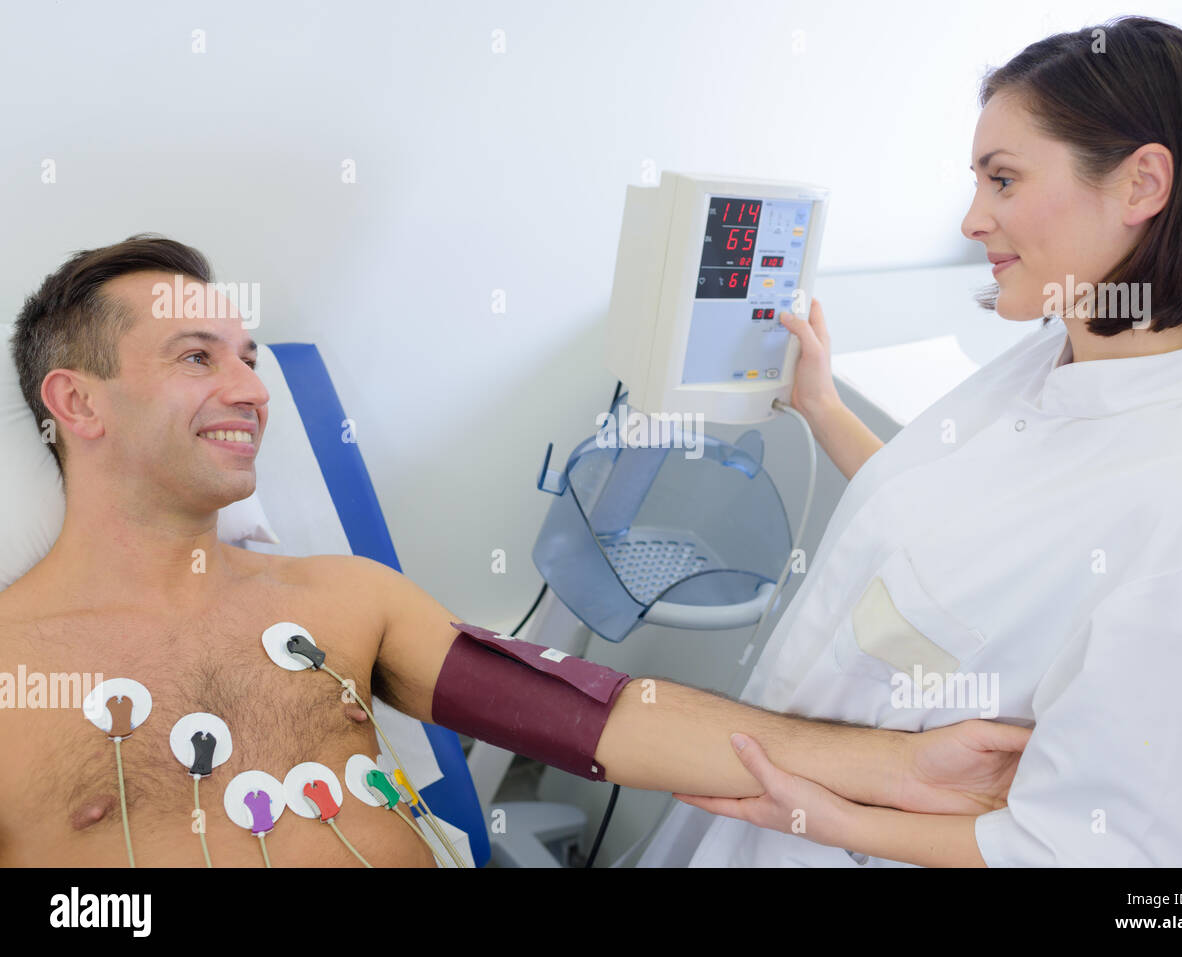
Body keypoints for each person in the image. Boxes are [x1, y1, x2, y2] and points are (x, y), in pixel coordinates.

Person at [0, 235, 1028, 867]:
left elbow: (606, 717)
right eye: (196, 357)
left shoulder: (345, 601)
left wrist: (905, 766)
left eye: (250, 358)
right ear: (76, 401)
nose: (251, 388)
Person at [641, 15, 1182, 867]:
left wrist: (832, 818)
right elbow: (955, 545)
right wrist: (822, 407)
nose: (974, 219)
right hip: (778, 795)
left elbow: (1111, 853)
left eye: (1004, 180)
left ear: (1140, 184)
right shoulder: (1066, 357)